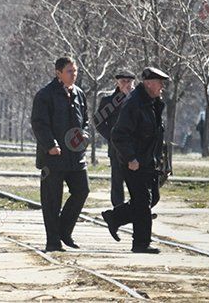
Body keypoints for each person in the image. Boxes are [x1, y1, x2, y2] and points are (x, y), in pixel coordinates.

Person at [103, 67, 170, 254]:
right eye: (159, 83)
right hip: (134, 163)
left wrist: (162, 162)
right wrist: (130, 158)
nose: (162, 87)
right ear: (149, 83)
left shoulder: (154, 103)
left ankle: (115, 217)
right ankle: (141, 243)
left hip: (149, 161)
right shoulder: (135, 103)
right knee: (142, 201)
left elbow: (157, 135)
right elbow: (118, 134)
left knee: (152, 198)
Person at [30, 56, 90, 252]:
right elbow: (39, 124)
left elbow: (85, 122)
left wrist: (85, 137)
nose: (74, 75)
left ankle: (64, 230)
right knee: (52, 200)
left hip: (75, 156)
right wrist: (51, 145)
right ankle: (53, 242)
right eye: (69, 71)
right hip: (53, 157)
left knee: (82, 190)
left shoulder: (79, 94)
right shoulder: (45, 95)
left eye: (75, 71)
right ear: (58, 73)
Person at [94, 71, 135, 207]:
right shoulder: (109, 101)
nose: (126, 84)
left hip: (136, 148)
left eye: (129, 81)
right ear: (117, 83)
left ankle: (139, 210)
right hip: (117, 149)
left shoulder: (139, 100)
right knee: (117, 182)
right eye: (123, 81)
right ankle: (118, 211)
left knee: (137, 181)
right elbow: (98, 121)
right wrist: (112, 137)